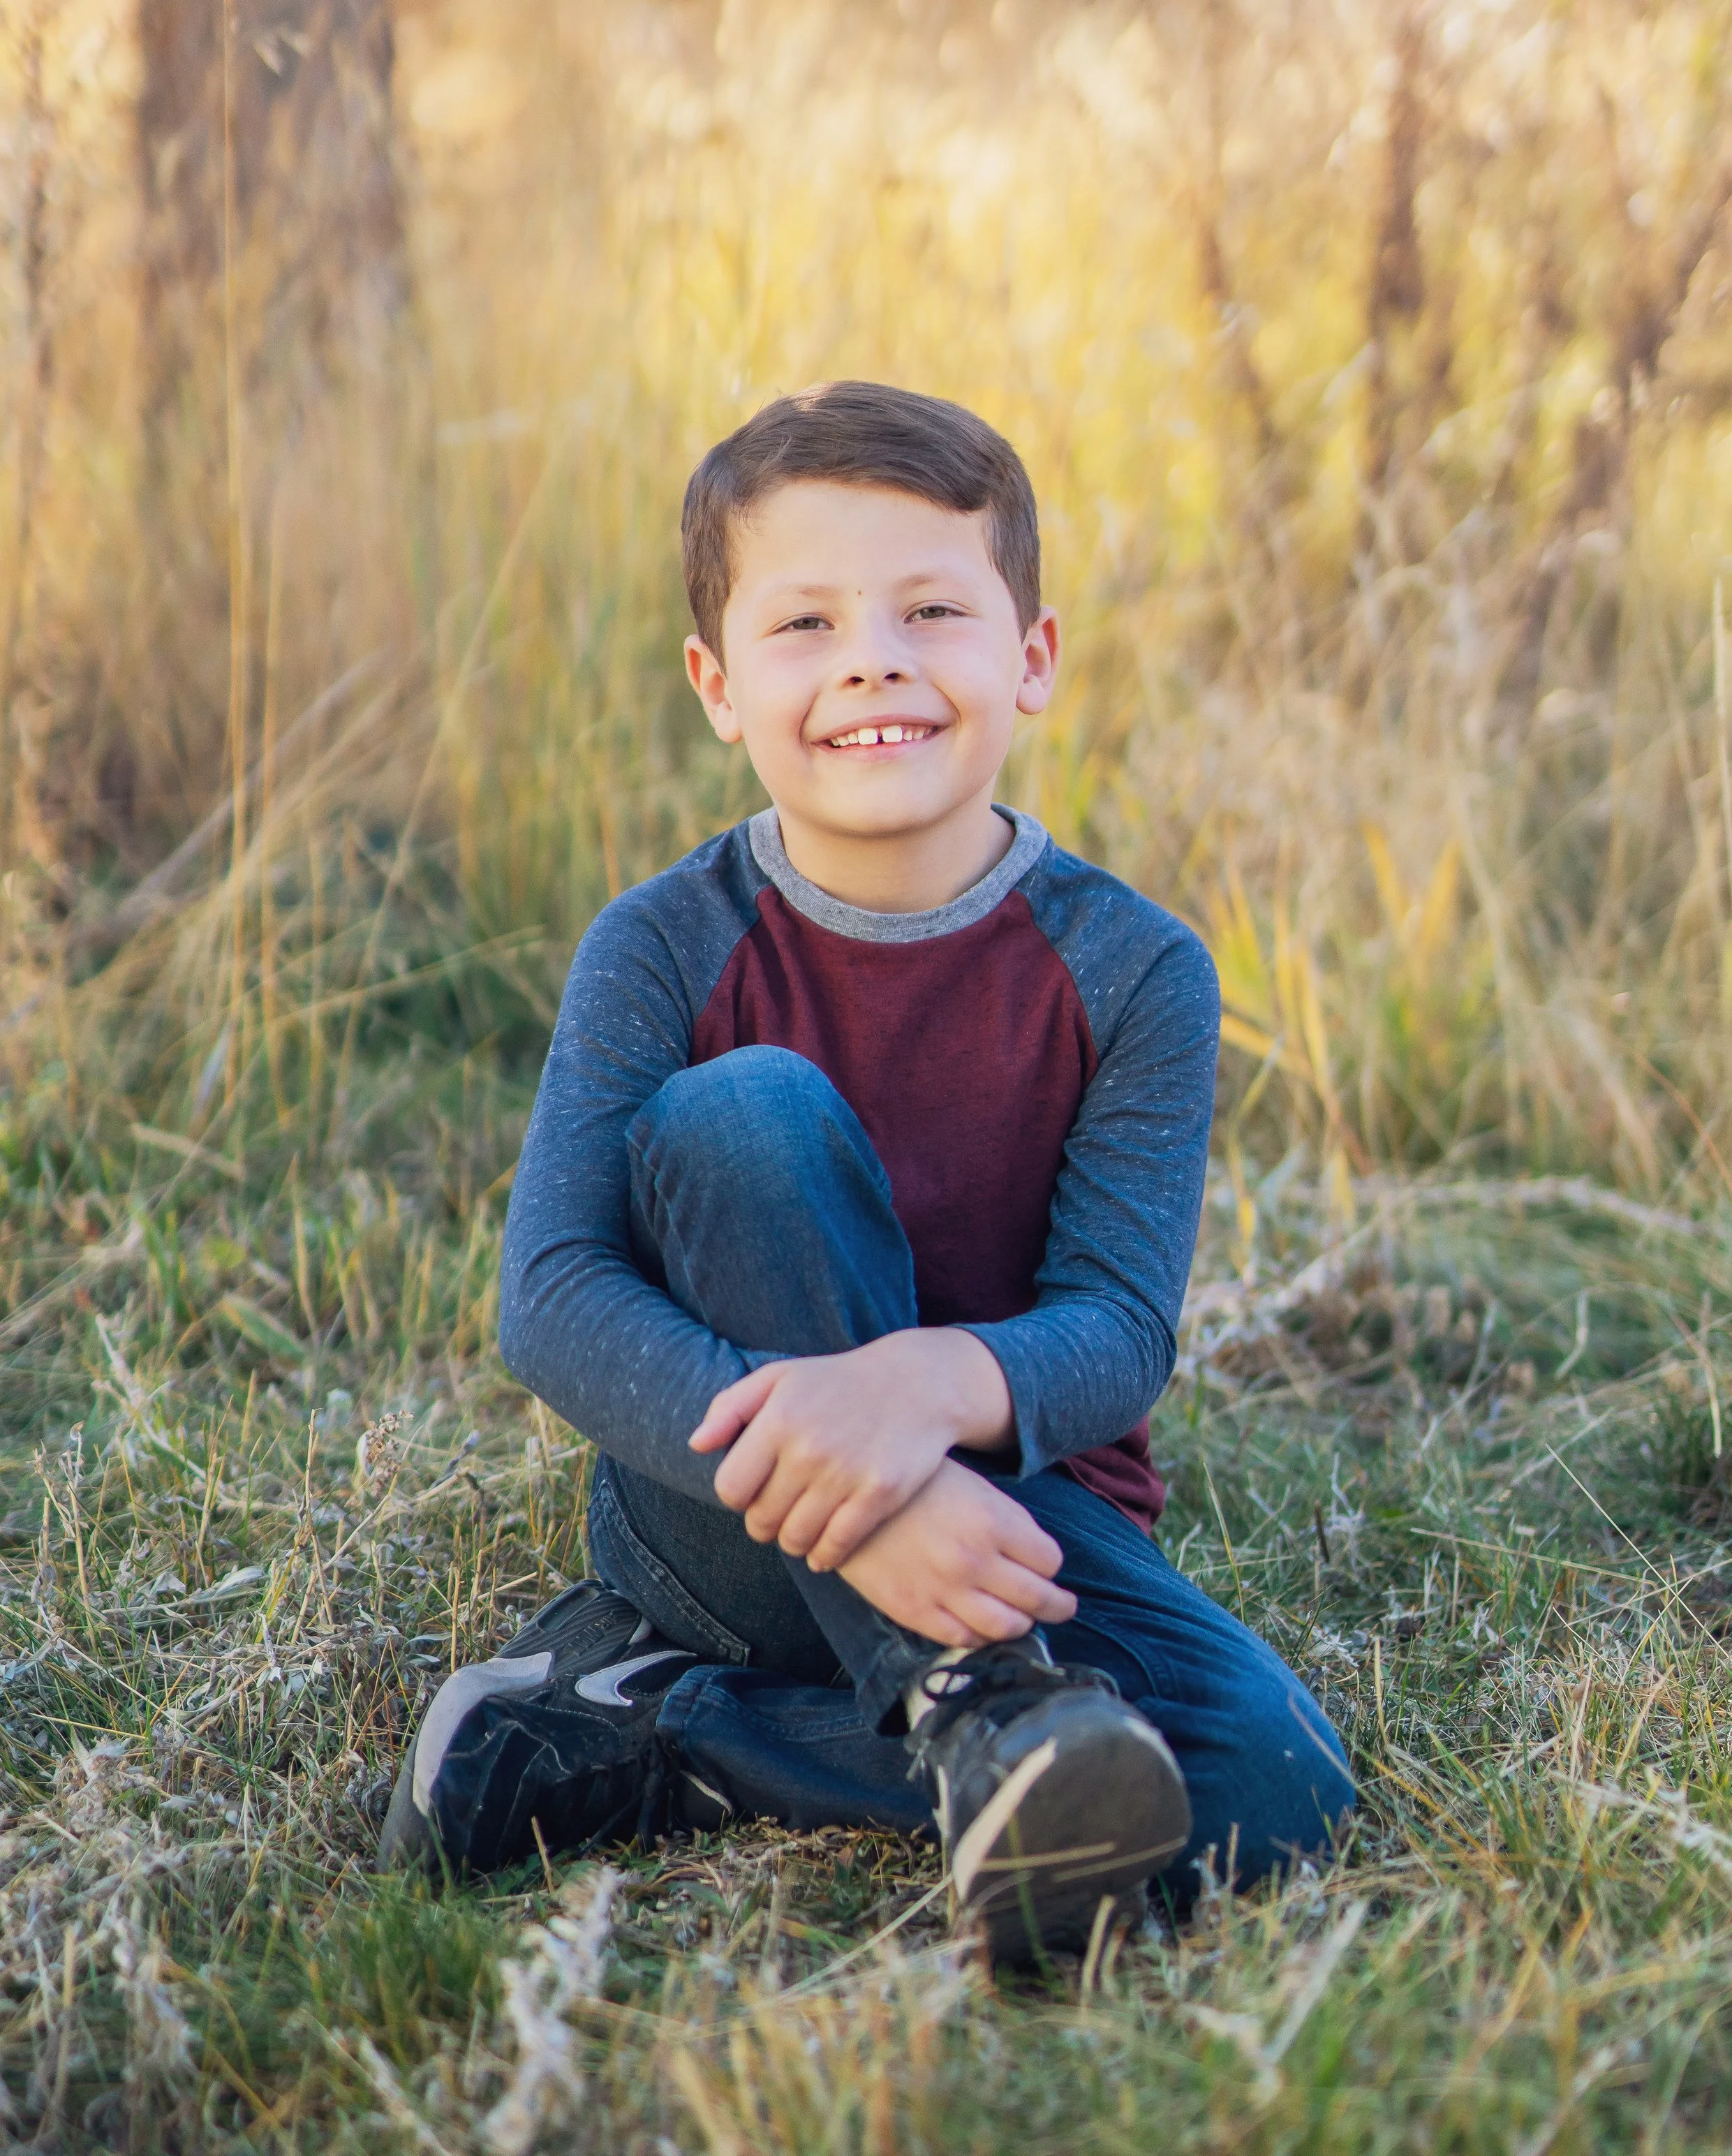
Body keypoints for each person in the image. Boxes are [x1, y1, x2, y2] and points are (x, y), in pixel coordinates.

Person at [378, 381, 1352, 1959]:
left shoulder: (1130, 967)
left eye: (931, 610)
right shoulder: (662, 943)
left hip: (1014, 1518)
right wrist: (859, 1498)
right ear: (714, 683)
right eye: (805, 622)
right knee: (747, 1111)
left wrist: (915, 1402)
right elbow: (551, 1299)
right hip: (722, 1523)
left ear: (1029, 658)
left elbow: (1113, 1329)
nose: (870, 660)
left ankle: (651, 1730)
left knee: (1273, 1777)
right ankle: (981, 1709)